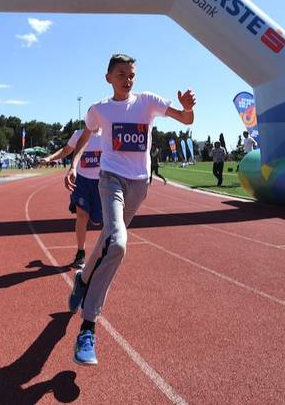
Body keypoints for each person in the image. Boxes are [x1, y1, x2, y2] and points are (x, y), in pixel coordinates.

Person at [65, 53, 195, 366]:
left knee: (108, 241)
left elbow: (185, 120)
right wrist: (72, 162)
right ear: (108, 77)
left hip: (139, 186)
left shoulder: (147, 102)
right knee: (119, 243)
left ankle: (83, 279)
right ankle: (88, 326)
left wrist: (188, 107)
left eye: (131, 74)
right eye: (121, 73)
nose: (128, 78)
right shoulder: (100, 110)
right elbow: (85, 133)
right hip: (110, 181)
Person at [42, 126, 105, 269]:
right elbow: (66, 150)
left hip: (101, 183)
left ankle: (96, 224)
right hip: (82, 181)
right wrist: (50, 158)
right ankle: (80, 252)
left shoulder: (107, 134)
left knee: (97, 221)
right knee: (82, 215)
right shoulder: (79, 134)